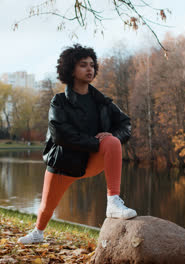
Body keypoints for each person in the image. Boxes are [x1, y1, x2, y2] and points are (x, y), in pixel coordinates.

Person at [18, 44, 137, 244]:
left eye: (92, 65)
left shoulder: (102, 102)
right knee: (47, 207)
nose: (89, 69)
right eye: (83, 65)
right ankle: (38, 233)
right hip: (65, 164)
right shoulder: (59, 102)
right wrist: (94, 142)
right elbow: (60, 134)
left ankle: (113, 201)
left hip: (91, 160)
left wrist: (111, 135)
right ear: (71, 69)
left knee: (113, 141)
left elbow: (126, 124)